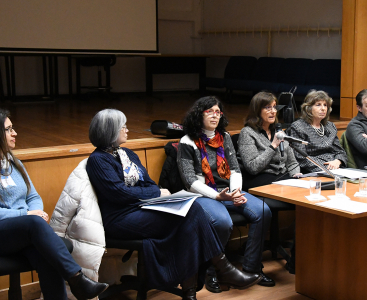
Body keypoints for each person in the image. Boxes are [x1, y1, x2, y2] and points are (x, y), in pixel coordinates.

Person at [85, 109, 261, 300]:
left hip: (141, 208)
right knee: (190, 216)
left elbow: (148, 183)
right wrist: (155, 193)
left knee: (191, 214)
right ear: (110, 131)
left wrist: (152, 192)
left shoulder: (127, 154)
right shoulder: (98, 160)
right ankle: (218, 271)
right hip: (120, 218)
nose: (127, 130)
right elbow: (120, 194)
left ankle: (194, 289)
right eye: (123, 126)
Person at [0, 108, 108, 300]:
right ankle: (77, 279)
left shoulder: (13, 162)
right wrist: (26, 216)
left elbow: (33, 196)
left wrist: (36, 211)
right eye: (8, 129)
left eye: (12, 128)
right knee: (36, 228)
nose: (15, 133)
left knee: (45, 252)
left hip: (18, 231)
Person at [177, 96, 275, 290]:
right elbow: (190, 181)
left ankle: (251, 269)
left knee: (263, 212)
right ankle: (212, 272)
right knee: (223, 222)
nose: (215, 116)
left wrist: (235, 191)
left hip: (228, 190)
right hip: (203, 195)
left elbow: (235, 169)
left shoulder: (225, 137)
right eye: (210, 112)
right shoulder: (187, 141)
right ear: (199, 114)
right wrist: (218, 196)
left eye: (218, 112)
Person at [237, 91, 302, 191]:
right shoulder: (247, 133)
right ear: (257, 110)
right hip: (258, 178)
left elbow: (292, 163)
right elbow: (253, 168)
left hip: (280, 177)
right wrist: (273, 146)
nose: (273, 111)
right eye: (268, 107)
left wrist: (296, 174)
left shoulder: (278, 131)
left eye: (275, 107)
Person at [286, 90, 347, 173]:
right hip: (314, 170)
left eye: (325, 105)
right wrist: (326, 167)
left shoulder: (330, 126)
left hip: (335, 168)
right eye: (318, 105)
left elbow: (340, 151)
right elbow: (301, 158)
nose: (323, 108)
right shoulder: (298, 127)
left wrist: (338, 161)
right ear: (308, 108)